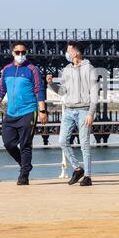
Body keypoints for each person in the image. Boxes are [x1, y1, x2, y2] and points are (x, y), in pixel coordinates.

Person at [0, 42, 47, 185]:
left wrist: (42, 110)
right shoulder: (6, 70)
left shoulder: (32, 69)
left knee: (25, 145)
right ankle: (25, 165)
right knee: (8, 143)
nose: (20, 55)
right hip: (11, 113)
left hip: (28, 111)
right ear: (12, 53)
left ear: (26, 52)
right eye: (17, 52)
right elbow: (1, 89)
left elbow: (39, 90)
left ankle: (24, 176)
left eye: (23, 52)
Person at [46, 41, 99, 186]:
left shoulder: (90, 69)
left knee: (84, 143)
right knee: (62, 141)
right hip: (68, 110)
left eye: (68, 50)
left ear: (75, 52)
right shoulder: (66, 70)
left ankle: (87, 176)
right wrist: (51, 84)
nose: (66, 53)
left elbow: (94, 93)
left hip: (84, 110)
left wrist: (91, 113)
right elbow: (63, 91)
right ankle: (77, 168)